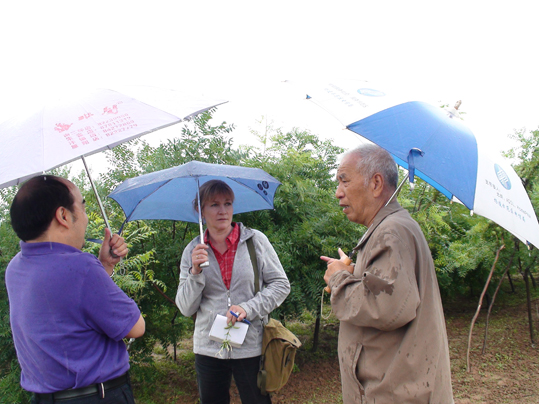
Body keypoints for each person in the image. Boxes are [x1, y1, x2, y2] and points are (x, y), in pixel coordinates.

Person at [321, 144, 454, 404]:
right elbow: (390, 291)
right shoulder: (392, 227)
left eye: (344, 181)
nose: (338, 193)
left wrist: (339, 278)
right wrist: (354, 273)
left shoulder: (391, 231)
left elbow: (386, 305)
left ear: (376, 183)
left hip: (394, 393)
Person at [5, 175, 145, 404]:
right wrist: (97, 270)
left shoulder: (16, 268)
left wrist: (105, 267)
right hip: (96, 397)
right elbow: (135, 327)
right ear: (63, 216)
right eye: (81, 206)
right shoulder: (80, 267)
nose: (86, 217)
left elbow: (67, 313)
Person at [176, 179, 290, 404]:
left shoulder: (254, 241)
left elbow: (280, 284)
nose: (222, 211)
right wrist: (195, 272)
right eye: (214, 205)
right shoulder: (192, 250)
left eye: (228, 203)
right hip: (209, 348)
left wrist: (248, 308)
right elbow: (185, 307)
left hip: (251, 345)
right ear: (200, 209)